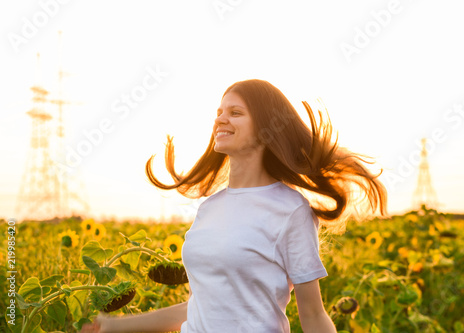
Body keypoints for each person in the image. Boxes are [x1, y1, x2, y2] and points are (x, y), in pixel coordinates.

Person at [81, 79, 387, 333]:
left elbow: (313, 314)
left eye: (235, 112)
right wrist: (113, 326)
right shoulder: (209, 208)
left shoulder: (290, 210)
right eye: (219, 111)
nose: (220, 119)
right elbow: (200, 306)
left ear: (266, 130)